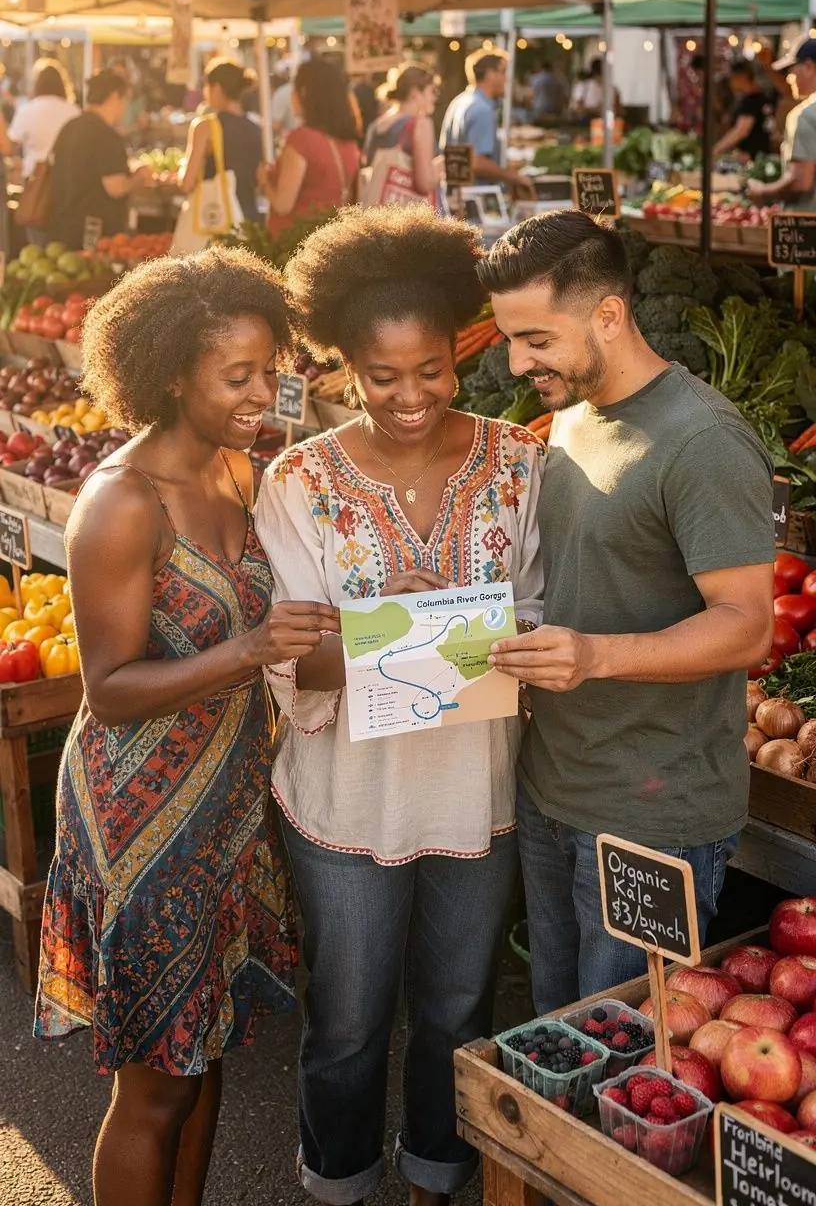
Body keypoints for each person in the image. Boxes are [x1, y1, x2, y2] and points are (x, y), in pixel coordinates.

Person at [35, 246, 339, 1206]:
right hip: (141, 814)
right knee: (153, 1086)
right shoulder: (120, 505)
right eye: (237, 376)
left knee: (203, 1051)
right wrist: (249, 650)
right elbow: (109, 688)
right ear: (170, 373)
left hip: (228, 804)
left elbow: (291, 620)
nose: (263, 393)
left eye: (269, 369)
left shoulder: (240, 470)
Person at [254, 205, 544, 1206]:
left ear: (460, 350)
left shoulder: (518, 466)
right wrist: (446, 629)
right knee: (345, 1019)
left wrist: (379, 631)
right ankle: (339, 1182)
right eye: (383, 377)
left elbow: (537, 626)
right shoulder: (297, 479)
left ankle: (434, 1177)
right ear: (341, 365)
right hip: (345, 802)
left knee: (459, 1009)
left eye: (431, 370)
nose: (411, 395)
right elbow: (295, 664)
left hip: (478, 794)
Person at [477, 211, 775, 1011]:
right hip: (553, 787)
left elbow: (749, 623)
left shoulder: (704, 440)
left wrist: (597, 656)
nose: (515, 361)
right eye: (511, 339)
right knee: (554, 1031)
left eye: (536, 338)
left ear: (608, 314)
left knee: (622, 1060)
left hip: (653, 813)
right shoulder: (572, 416)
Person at [48, 69, 152, 250]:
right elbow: (116, 187)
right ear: (114, 97)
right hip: (96, 234)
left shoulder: (69, 127)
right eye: (124, 100)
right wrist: (139, 177)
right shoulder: (105, 135)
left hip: (61, 227)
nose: (125, 107)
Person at [264, 57, 361, 238]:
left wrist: (264, 182)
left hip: (296, 243)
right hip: (332, 238)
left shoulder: (302, 140)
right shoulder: (349, 143)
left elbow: (283, 205)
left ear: (304, 92)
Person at [439, 48, 535, 199]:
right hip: (476, 199)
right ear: (491, 74)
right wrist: (513, 177)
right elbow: (477, 163)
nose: (506, 79)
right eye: (503, 72)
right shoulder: (482, 109)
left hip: (456, 195)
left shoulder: (459, 101)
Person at [178, 57, 263, 224]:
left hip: (216, 221)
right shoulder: (256, 128)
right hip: (249, 220)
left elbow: (188, 183)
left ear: (215, 88)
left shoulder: (205, 127)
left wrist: (182, 170)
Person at [747, 37, 816, 212]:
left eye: (793, 69)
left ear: (809, 67)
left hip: (807, 228)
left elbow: (800, 182)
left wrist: (763, 191)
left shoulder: (805, 115)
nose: (790, 77)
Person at [363, 62, 442, 201]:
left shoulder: (376, 126)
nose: (435, 98)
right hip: (410, 215)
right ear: (415, 92)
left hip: (379, 212)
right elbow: (424, 183)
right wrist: (442, 165)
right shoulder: (420, 124)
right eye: (432, 91)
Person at [9, 58, 79, 180]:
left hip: (33, 177)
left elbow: (11, 145)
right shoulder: (74, 111)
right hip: (68, 177)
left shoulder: (27, 110)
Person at [713, 59, 772, 160]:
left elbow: (741, 131)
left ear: (743, 76)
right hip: (762, 155)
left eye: (732, 78)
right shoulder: (761, 97)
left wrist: (716, 149)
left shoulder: (751, 101)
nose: (730, 83)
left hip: (752, 157)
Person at [529, 58, 565, 126]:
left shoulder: (536, 79)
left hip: (538, 111)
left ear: (542, 69)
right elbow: (561, 98)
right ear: (551, 69)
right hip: (553, 112)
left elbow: (531, 94)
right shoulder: (558, 80)